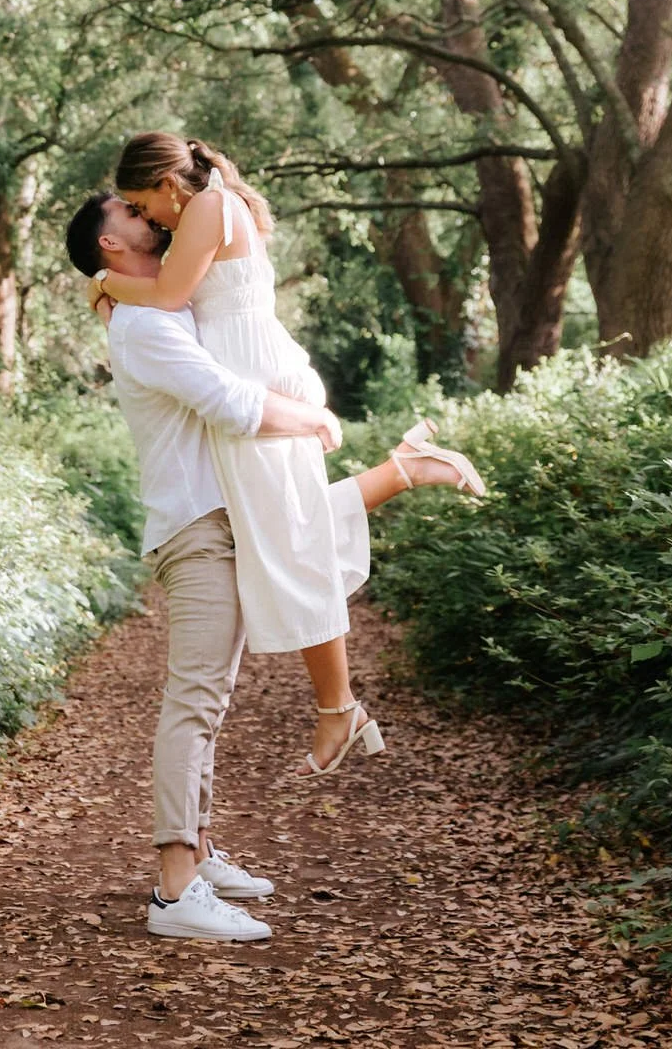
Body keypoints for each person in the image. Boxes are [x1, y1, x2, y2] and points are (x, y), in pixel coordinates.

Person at [65, 189, 466, 944]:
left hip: (226, 514)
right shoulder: (145, 326)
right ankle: (175, 890)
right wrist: (313, 418)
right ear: (109, 243)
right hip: (196, 527)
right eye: (130, 213)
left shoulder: (158, 303)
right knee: (194, 699)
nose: (147, 215)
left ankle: (199, 853)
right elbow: (228, 400)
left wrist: (108, 285)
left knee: (211, 698)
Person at [86, 132, 485, 781]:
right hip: (252, 382)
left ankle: (339, 709)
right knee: (289, 534)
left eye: (142, 203)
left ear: (166, 184)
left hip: (257, 389)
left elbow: (167, 297)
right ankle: (404, 471)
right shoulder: (206, 207)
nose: (148, 217)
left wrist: (103, 281)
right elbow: (169, 306)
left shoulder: (208, 207)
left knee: (292, 543)